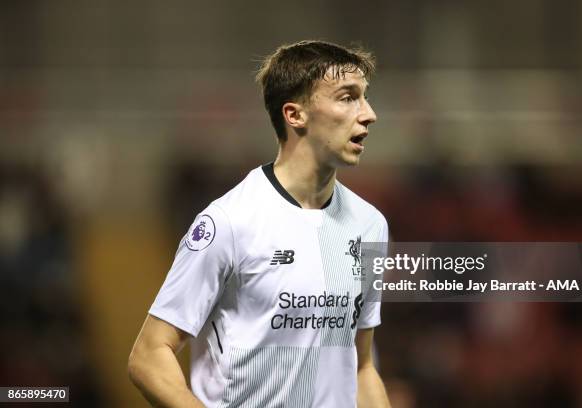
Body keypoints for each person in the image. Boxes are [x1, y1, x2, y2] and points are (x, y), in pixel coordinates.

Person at [128, 40, 391, 408]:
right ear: (295, 114)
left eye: (364, 97)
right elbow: (149, 354)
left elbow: (361, 367)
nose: (368, 114)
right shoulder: (229, 222)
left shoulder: (370, 225)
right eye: (348, 97)